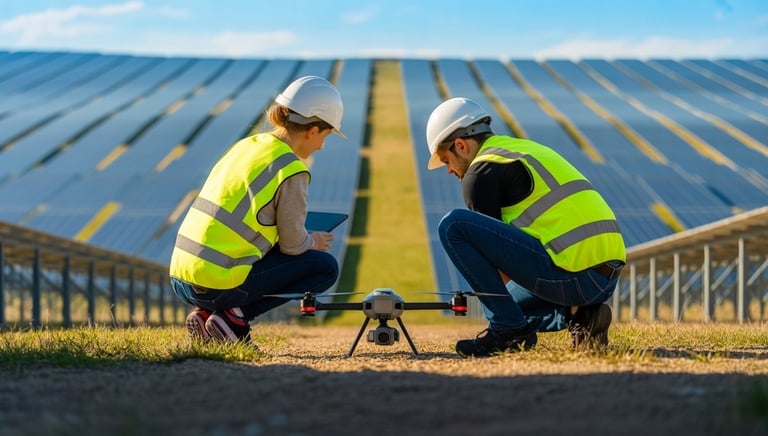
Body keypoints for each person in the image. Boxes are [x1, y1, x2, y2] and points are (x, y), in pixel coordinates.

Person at [424, 97, 626, 358]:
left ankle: (508, 331)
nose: (449, 170)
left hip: (574, 273)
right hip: (605, 278)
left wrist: (500, 307)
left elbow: (499, 272)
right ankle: (581, 315)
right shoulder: (521, 148)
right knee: (507, 303)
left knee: (454, 226)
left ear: (460, 146)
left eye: (445, 160)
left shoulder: (479, 174)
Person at [169, 75, 346, 345]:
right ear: (313, 130)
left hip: (182, 277)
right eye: (326, 135)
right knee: (324, 267)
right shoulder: (291, 169)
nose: (322, 145)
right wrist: (313, 240)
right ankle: (233, 318)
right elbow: (292, 246)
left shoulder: (247, 146)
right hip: (217, 283)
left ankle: (207, 315)